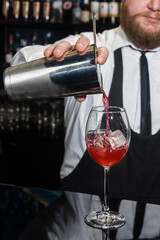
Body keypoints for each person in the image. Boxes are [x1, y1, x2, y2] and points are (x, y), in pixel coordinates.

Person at [11, 0, 160, 239]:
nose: (155, 5)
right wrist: (58, 61)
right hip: (82, 229)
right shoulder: (91, 48)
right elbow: (21, 65)